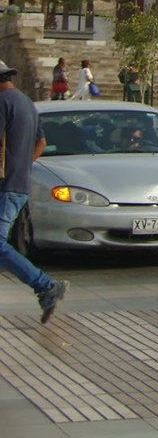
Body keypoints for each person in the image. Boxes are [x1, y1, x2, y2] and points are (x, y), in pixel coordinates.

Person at [0, 60, 69, 323]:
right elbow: (41, 142)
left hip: (5, 186)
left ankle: (46, 285)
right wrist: (22, 164)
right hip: (18, 183)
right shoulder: (26, 103)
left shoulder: (2, 102)